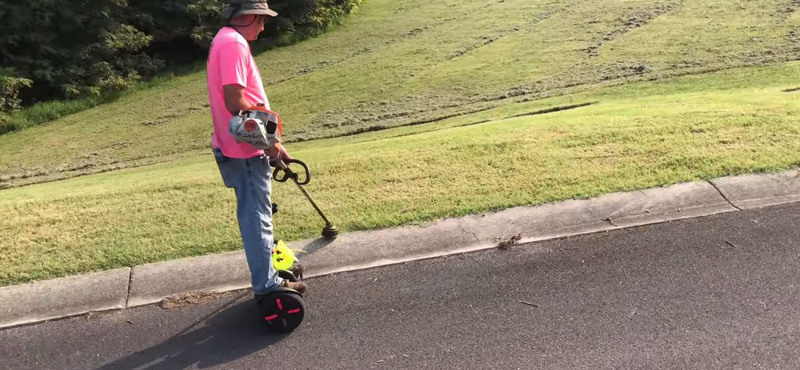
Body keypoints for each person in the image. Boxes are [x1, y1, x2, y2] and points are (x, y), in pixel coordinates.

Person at [207, 0, 308, 300]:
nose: (263, 27)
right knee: (257, 218)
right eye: (262, 20)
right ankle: (268, 286)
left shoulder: (224, 39)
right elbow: (236, 102)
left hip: (241, 144)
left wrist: (276, 144)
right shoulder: (233, 44)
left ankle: (269, 274)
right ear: (249, 16)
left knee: (256, 215)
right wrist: (272, 143)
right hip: (244, 151)